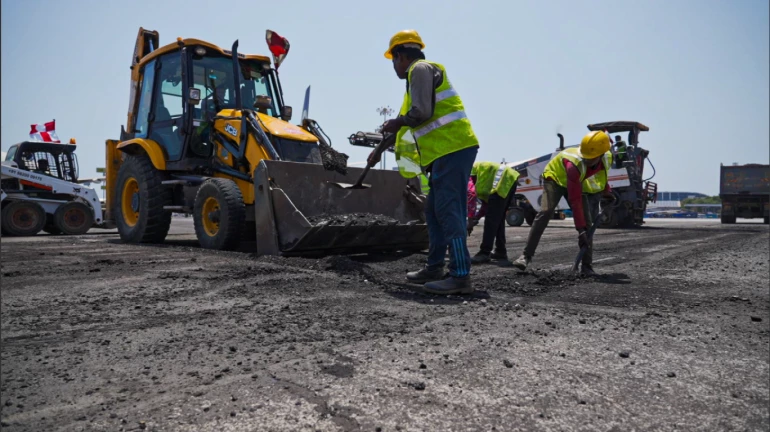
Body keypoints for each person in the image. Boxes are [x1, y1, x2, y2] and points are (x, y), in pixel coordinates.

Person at [370, 29, 479, 295]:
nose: (394, 67)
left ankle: (460, 276)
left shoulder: (419, 70)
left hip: (452, 148)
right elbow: (403, 123)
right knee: (432, 212)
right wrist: (378, 151)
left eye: (393, 60)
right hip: (444, 153)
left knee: (448, 211)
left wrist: (398, 121)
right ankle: (434, 268)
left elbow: (420, 114)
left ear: (401, 55)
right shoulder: (417, 80)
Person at [511, 131, 613, 275]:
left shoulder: (607, 157)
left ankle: (587, 267)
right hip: (555, 179)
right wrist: (580, 230)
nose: (588, 161)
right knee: (546, 212)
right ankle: (525, 257)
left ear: (602, 154)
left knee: (587, 223)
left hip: (577, 182)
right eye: (586, 158)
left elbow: (602, 175)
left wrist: (606, 190)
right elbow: (575, 199)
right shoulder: (574, 164)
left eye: (591, 159)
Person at [466, 161, 520, 263]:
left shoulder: (467, 174)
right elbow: (486, 206)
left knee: (491, 220)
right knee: (498, 218)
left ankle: (484, 252)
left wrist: (470, 219)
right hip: (510, 178)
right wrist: (476, 218)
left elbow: (471, 194)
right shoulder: (480, 174)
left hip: (502, 180)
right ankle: (500, 251)